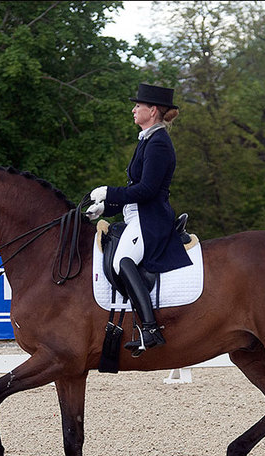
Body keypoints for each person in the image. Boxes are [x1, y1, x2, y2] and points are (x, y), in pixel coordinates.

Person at [86, 83, 192, 357]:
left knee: (124, 262)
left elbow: (146, 190)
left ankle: (150, 329)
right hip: (137, 216)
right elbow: (135, 191)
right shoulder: (147, 139)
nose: (133, 110)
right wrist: (105, 207)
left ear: (153, 110)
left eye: (138, 106)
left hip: (151, 220)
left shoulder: (158, 144)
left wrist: (109, 191)